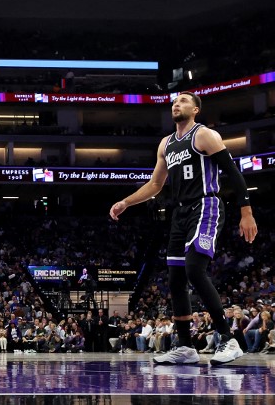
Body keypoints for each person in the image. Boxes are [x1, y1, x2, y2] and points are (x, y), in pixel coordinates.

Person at [110, 92, 257, 366]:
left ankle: (229, 339)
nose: (177, 104)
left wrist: (246, 212)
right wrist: (126, 202)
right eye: (174, 102)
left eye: (184, 101)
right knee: (176, 280)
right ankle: (186, 347)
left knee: (194, 269)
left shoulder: (205, 135)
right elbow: (155, 185)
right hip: (179, 213)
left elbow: (234, 174)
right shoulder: (166, 144)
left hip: (206, 206)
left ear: (196, 110)